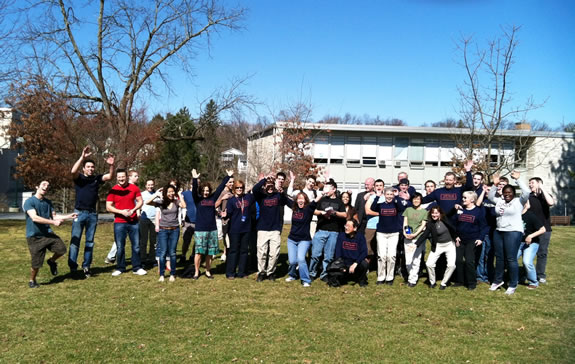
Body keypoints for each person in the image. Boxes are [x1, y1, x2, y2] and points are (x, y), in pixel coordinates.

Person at [68, 146, 115, 277]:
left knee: (90, 241)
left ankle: (86, 267)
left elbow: (110, 177)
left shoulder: (96, 179)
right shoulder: (79, 178)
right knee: (75, 241)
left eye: (92, 167)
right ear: (84, 168)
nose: (90, 169)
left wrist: (111, 165)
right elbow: (73, 171)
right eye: (88, 167)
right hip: (79, 213)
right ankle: (73, 268)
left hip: (92, 214)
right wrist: (82, 157)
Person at [24, 181, 77, 288]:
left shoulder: (48, 202)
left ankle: (52, 261)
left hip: (47, 234)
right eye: (44, 184)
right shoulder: (29, 202)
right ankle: (32, 280)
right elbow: (34, 218)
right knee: (36, 264)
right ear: (37, 186)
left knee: (61, 249)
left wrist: (68, 216)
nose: (46, 187)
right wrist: (53, 223)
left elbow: (54, 216)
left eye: (48, 186)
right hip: (34, 236)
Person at [488, 171, 530, 295]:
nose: (507, 195)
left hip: (513, 232)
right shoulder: (500, 201)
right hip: (499, 231)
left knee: (511, 259)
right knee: (499, 257)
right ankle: (498, 280)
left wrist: (518, 180)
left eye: (509, 192)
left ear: (513, 193)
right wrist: (495, 185)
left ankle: (513, 284)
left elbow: (526, 192)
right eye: (505, 193)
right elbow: (490, 197)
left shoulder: (519, 201)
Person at [191, 168, 233, 279]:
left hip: (212, 229)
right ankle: (196, 271)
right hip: (200, 230)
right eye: (204, 190)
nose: (206, 192)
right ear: (201, 191)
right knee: (199, 253)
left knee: (210, 253)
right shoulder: (198, 200)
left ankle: (208, 271)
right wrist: (195, 179)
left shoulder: (213, 199)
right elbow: (194, 191)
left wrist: (228, 177)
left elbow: (220, 188)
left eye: (207, 190)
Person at [106, 169, 147, 277]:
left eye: (123, 177)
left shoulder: (134, 188)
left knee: (136, 246)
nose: (121, 179)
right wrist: (121, 212)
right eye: (119, 177)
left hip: (133, 222)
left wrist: (133, 210)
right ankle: (120, 268)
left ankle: (137, 267)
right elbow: (108, 207)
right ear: (117, 178)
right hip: (119, 222)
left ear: (126, 177)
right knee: (120, 246)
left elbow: (140, 201)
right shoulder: (113, 190)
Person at [252, 173, 291, 282]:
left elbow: (285, 201)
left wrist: (282, 193)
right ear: (264, 186)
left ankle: (271, 272)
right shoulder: (261, 196)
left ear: (274, 186)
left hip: (275, 229)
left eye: (271, 186)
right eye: (267, 186)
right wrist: (264, 179)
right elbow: (255, 189)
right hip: (262, 229)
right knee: (261, 252)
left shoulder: (278, 196)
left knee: (274, 253)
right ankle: (261, 272)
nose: (270, 189)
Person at [367, 186, 408, 285]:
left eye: (391, 194)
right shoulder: (381, 205)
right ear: (384, 195)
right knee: (382, 256)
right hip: (381, 233)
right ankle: (381, 277)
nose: (389, 196)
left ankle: (390, 277)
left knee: (391, 256)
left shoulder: (396, 204)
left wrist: (397, 197)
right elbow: (372, 208)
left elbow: (403, 208)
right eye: (387, 194)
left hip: (393, 233)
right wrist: (377, 196)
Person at [309, 180, 347, 282]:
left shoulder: (339, 202)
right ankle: (312, 273)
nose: (325, 190)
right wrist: (322, 213)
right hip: (321, 230)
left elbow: (345, 214)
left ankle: (324, 274)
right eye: (324, 188)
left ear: (334, 189)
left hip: (333, 232)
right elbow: (313, 210)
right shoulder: (321, 200)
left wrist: (335, 213)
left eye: (327, 188)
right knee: (315, 255)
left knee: (329, 256)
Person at [146, 184, 186, 282]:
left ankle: (172, 273)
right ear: (165, 193)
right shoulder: (161, 202)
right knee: (163, 252)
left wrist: (179, 195)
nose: (171, 193)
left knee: (172, 253)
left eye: (172, 191)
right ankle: (162, 274)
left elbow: (184, 205)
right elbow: (147, 202)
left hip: (174, 230)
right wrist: (156, 194)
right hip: (163, 230)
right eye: (169, 192)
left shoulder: (176, 202)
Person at [285, 190, 323, 286]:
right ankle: (292, 275)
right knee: (292, 261)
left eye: (302, 199)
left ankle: (305, 280)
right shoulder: (294, 208)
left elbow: (315, 201)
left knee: (301, 259)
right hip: (292, 239)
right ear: (296, 200)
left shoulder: (308, 209)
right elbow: (285, 199)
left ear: (305, 200)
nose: (300, 201)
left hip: (304, 240)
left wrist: (322, 193)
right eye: (298, 199)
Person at [453, 191, 489, 290]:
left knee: (469, 261)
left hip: (472, 240)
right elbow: (454, 224)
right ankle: (459, 280)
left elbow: (484, 227)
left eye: (465, 198)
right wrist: (456, 236)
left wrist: (480, 238)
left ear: (472, 200)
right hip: (460, 240)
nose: (463, 199)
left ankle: (471, 283)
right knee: (458, 260)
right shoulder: (460, 210)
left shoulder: (478, 211)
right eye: (463, 197)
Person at [414, 206, 457, 290]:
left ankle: (444, 283)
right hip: (438, 246)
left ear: (440, 213)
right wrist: (416, 244)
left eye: (436, 213)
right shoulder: (430, 224)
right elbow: (425, 234)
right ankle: (432, 282)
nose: (434, 215)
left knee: (451, 265)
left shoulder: (445, 219)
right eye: (433, 213)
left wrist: (455, 208)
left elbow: (451, 216)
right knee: (429, 264)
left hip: (449, 245)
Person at [223, 180, 256, 279]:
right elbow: (228, 214)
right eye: (237, 188)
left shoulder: (248, 197)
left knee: (244, 251)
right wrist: (224, 215)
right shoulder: (232, 200)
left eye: (241, 187)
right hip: (234, 229)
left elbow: (257, 191)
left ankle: (242, 272)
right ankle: (230, 272)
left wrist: (261, 180)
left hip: (246, 228)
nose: (239, 189)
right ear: (234, 189)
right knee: (233, 251)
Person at [528, 177, 555, 284]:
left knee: (542, 253)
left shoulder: (545, 196)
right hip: (531, 230)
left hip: (545, 229)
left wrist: (542, 188)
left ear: (539, 184)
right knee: (527, 253)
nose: (530, 185)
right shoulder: (528, 196)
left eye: (532, 183)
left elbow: (551, 203)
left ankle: (540, 275)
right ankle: (527, 274)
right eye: (529, 183)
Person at [518, 201, 546, 289]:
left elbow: (543, 229)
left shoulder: (531, 216)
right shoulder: (515, 216)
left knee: (527, 262)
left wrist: (530, 236)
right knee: (512, 260)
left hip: (531, 243)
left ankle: (533, 282)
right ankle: (516, 278)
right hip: (518, 243)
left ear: (526, 205)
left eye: (522, 204)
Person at [402, 192, 428, 287]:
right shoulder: (408, 210)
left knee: (416, 259)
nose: (416, 201)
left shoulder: (424, 212)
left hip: (418, 238)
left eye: (418, 199)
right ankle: (411, 275)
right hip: (408, 237)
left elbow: (423, 224)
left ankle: (412, 280)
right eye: (414, 199)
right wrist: (405, 233)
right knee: (408, 261)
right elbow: (405, 222)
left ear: (421, 201)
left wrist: (415, 234)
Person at [332, 219, 369, 287]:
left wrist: (356, 263)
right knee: (333, 266)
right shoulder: (341, 236)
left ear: (355, 228)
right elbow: (338, 252)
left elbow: (364, 252)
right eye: (346, 225)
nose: (346, 227)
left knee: (364, 264)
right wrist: (340, 265)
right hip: (344, 262)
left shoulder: (360, 237)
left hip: (355, 262)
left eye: (349, 226)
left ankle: (362, 280)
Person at [216, 176, 234, 262]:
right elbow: (215, 205)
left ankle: (227, 253)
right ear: (226, 183)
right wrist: (220, 213)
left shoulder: (233, 193)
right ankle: (225, 253)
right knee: (225, 237)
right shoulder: (222, 192)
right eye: (230, 182)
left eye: (233, 182)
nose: (232, 184)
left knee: (231, 238)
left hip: (233, 219)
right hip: (225, 220)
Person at [139, 179, 158, 267]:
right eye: (148, 185)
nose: (150, 186)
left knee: (153, 241)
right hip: (144, 219)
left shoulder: (157, 194)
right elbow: (138, 205)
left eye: (152, 185)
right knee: (143, 240)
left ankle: (152, 258)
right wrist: (138, 215)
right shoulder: (142, 194)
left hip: (154, 220)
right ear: (146, 186)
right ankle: (142, 259)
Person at [180, 179, 197, 265]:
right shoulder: (185, 194)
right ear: (191, 184)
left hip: (198, 222)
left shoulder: (200, 194)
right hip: (188, 221)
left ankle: (193, 256)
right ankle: (183, 255)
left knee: (197, 242)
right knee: (186, 241)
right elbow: (180, 204)